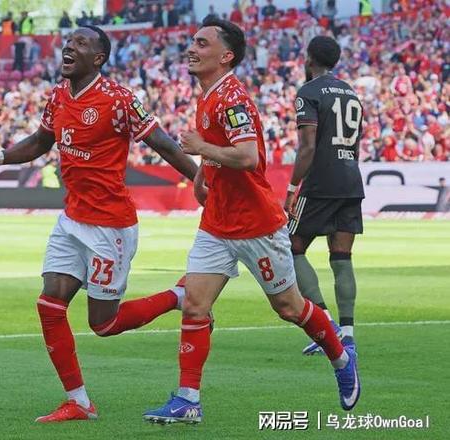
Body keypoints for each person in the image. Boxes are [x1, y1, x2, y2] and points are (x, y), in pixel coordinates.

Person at [0, 25, 198, 423]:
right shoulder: (59, 95)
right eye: (68, 41)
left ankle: (177, 296)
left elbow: (163, 143)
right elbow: (40, 142)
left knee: (104, 324)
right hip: (71, 219)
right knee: (49, 304)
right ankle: (78, 401)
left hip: (110, 226)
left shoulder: (119, 99)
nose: (69, 47)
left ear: (98, 58)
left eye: (80, 43)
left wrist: (201, 183)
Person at [142, 18, 360, 425]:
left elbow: (247, 157)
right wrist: (202, 175)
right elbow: (221, 152)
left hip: (256, 224)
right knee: (195, 305)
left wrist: (201, 148)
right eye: (192, 41)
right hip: (217, 223)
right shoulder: (209, 93)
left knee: (289, 307)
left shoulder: (232, 98)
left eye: (202, 43)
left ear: (226, 56)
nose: (191, 48)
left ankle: (341, 358)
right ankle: (188, 399)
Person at [285, 35, 364, 357]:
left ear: (309, 59)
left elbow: (307, 147)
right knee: (342, 256)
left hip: (321, 182)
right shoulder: (351, 92)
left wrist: (292, 188)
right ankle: (348, 335)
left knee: (290, 247)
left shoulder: (309, 92)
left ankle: (326, 327)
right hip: (351, 180)